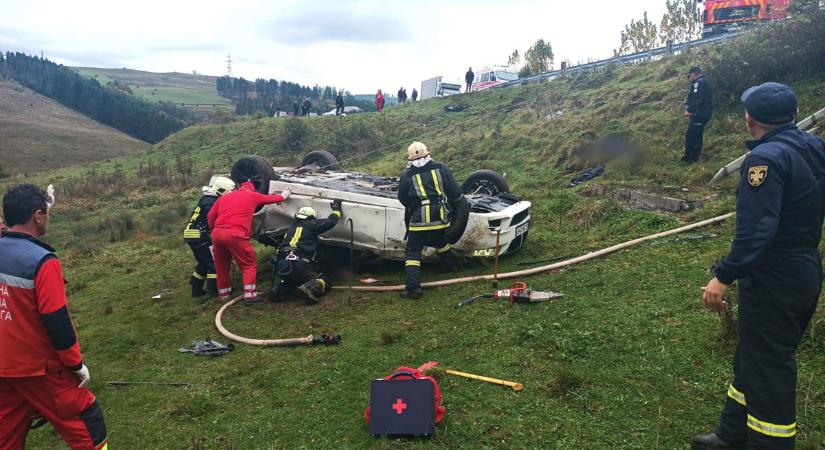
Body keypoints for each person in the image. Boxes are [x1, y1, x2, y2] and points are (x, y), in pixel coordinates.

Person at [693, 83, 825, 450]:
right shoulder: (814, 146)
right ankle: (732, 434)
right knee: (754, 353)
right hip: (805, 268)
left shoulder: (763, 161)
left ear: (749, 119)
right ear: (794, 115)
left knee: (769, 366)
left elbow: (757, 233)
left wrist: (723, 275)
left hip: (774, 276)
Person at [0, 184, 108, 450]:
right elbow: (57, 320)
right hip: (39, 368)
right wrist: (75, 365)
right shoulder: (43, 262)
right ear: (38, 216)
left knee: (6, 433)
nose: (48, 216)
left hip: (3, 367)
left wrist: (46, 202)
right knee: (87, 421)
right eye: (46, 212)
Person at [208, 181, 292, 305]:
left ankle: (224, 295)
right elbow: (273, 199)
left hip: (217, 233)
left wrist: (214, 231)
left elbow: (210, 216)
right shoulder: (252, 195)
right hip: (235, 234)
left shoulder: (224, 197)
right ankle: (250, 295)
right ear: (252, 189)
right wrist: (285, 194)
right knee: (249, 265)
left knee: (221, 266)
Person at [397, 142, 462, 299]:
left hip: (420, 218)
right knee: (439, 240)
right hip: (440, 216)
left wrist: (415, 205)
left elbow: (403, 198)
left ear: (410, 158)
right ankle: (452, 267)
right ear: (428, 153)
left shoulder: (407, 174)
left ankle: (413, 288)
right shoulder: (441, 167)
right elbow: (455, 191)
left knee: (412, 250)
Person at [272, 200, 343, 304]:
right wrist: (336, 210)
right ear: (311, 216)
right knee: (324, 279)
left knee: (293, 280)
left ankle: (279, 290)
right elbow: (330, 221)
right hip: (299, 263)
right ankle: (310, 288)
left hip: (281, 264)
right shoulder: (312, 224)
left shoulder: (290, 229)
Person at [183, 176, 235, 298]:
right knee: (214, 263)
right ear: (221, 191)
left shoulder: (206, 198)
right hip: (200, 237)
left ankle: (196, 288)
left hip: (192, 234)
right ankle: (212, 291)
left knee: (203, 263)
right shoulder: (211, 203)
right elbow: (213, 220)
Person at [682, 66, 713, 164]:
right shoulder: (703, 82)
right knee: (692, 134)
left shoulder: (698, 83)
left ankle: (692, 159)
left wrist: (689, 110)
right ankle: (689, 157)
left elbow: (698, 100)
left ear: (693, 74)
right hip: (701, 112)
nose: (689, 78)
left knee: (693, 136)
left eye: (689, 76)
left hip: (700, 113)